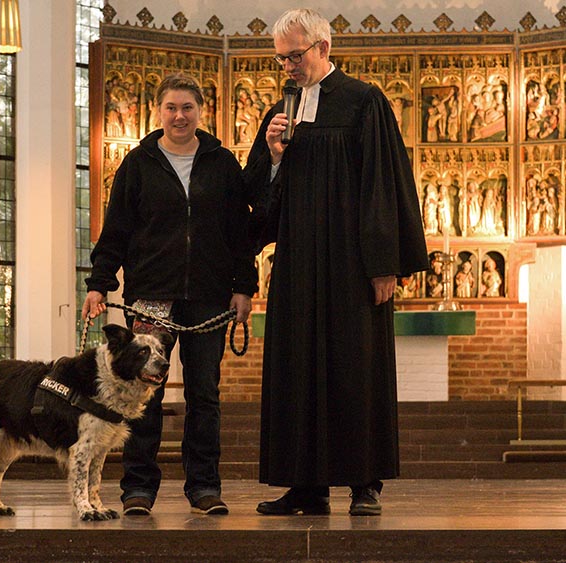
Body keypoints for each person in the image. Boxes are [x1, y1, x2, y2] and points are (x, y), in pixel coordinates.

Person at [243, 9, 429, 517]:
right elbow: (260, 201)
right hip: (299, 264)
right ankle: (305, 487)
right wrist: (275, 154)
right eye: (280, 58)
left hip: (351, 266)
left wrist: (383, 263)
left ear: (324, 47)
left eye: (295, 56)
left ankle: (364, 483)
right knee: (296, 369)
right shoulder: (279, 114)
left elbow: (384, 187)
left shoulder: (364, 101)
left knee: (355, 368)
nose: (288, 67)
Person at [82, 73, 256, 517]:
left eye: (187, 108)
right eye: (171, 108)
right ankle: (138, 488)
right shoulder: (138, 164)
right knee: (143, 395)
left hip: (208, 298)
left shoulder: (222, 164)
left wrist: (243, 288)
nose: (179, 116)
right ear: (158, 112)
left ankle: (204, 487)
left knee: (205, 393)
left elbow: (240, 233)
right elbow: (116, 229)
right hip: (152, 295)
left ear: (202, 112)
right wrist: (99, 283)